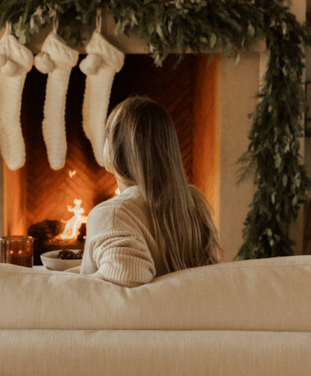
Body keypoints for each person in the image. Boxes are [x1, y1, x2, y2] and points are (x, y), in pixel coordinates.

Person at [75, 96, 220, 287]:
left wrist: (77, 283)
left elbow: (127, 271)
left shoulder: (112, 214)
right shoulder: (193, 203)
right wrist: (72, 274)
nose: (104, 139)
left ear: (120, 150)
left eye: (108, 133)